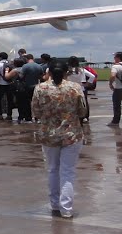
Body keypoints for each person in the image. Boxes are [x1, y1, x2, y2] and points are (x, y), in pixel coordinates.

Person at [32, 59, 87, 219]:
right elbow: (82, 111)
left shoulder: (40, 88)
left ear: (48, 71)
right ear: (66, 72)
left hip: (48, 134)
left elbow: (35, 111)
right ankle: (66, 208)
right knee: (67, 171)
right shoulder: (74, 88)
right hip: (71, 134)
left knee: (53, 169)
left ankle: (55, 204)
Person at [66, 56, 92, 123]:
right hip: (81, 88)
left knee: (71, 103)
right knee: (84, 103)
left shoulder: (67, 71)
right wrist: (88, 84)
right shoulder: (81, 70)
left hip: (70, 89)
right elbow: (92, 76)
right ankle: (85, 117)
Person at [110, 52, 122, 127]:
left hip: (119, 89)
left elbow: (113, 76)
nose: (114, 59)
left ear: (118, 58)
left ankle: (115, 122)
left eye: (115, 57)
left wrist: (110, 83)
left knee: (117, 106)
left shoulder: (116, 66)